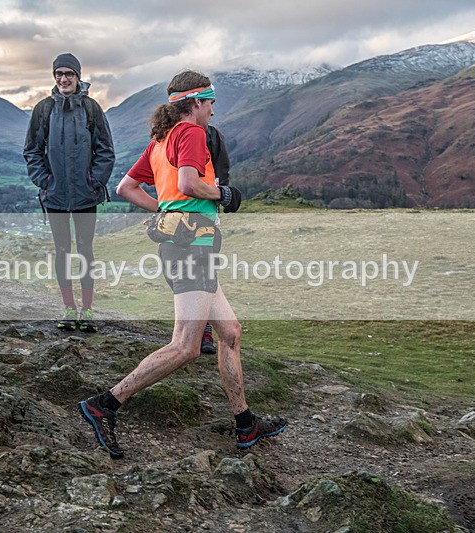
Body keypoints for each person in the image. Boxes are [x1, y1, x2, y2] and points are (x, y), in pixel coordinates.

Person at [78, 70, 287, 458]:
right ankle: (104, 404)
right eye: (210, 104)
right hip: (191, 248)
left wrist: (167, 209)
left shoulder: (160, 139)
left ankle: (246, 425)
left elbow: (125, 188)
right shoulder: (190, 132)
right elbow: (191, 184)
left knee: (229, 331)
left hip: (186, 243)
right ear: (196, 102)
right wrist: (224, 194)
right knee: (186, 347)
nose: (212, 112)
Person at [24, 53, 115, 333]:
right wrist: (45, 181)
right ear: (54, 77)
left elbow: (105, 150)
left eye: (69, 74)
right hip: (56, 196)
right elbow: (32, 151)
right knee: (62, 251)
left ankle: (87, 309)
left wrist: (94, 181)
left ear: (78, 76)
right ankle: (68, 307)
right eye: (59, 74)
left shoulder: (91, 109)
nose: (63, 79)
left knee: (85, 250)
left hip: (85, 196)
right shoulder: (43, 110)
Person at [201, 124, 230, 354]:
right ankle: (196, 332)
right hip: (180, 219)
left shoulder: (212, 135)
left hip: (207, 217)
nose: (212, 110)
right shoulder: (172, 133)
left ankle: (205, 331)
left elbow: (222, 172)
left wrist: (221, 196)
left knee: (207, 272)